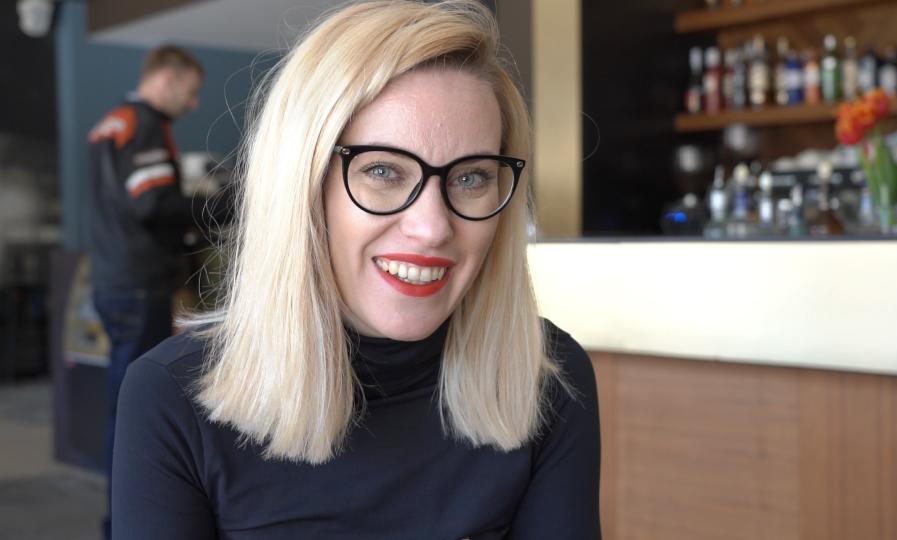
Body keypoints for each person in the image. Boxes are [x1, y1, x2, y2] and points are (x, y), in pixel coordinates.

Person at [111, 2, 601, 538]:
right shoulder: (172, 397)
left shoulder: (546, 380)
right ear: (303, 188)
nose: (432, 227)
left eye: (470, 178)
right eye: (383, 171)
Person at [87, 44, 203, 538]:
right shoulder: (145, 123)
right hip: (139, 286)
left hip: (114, 281)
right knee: (140, 411)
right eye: (192, 92)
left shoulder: (109, 124)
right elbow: (153, 203)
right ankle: (126, 522)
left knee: (123, 403)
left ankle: (118, 519)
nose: (192, 104)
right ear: (169, 78)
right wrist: (206, 205)